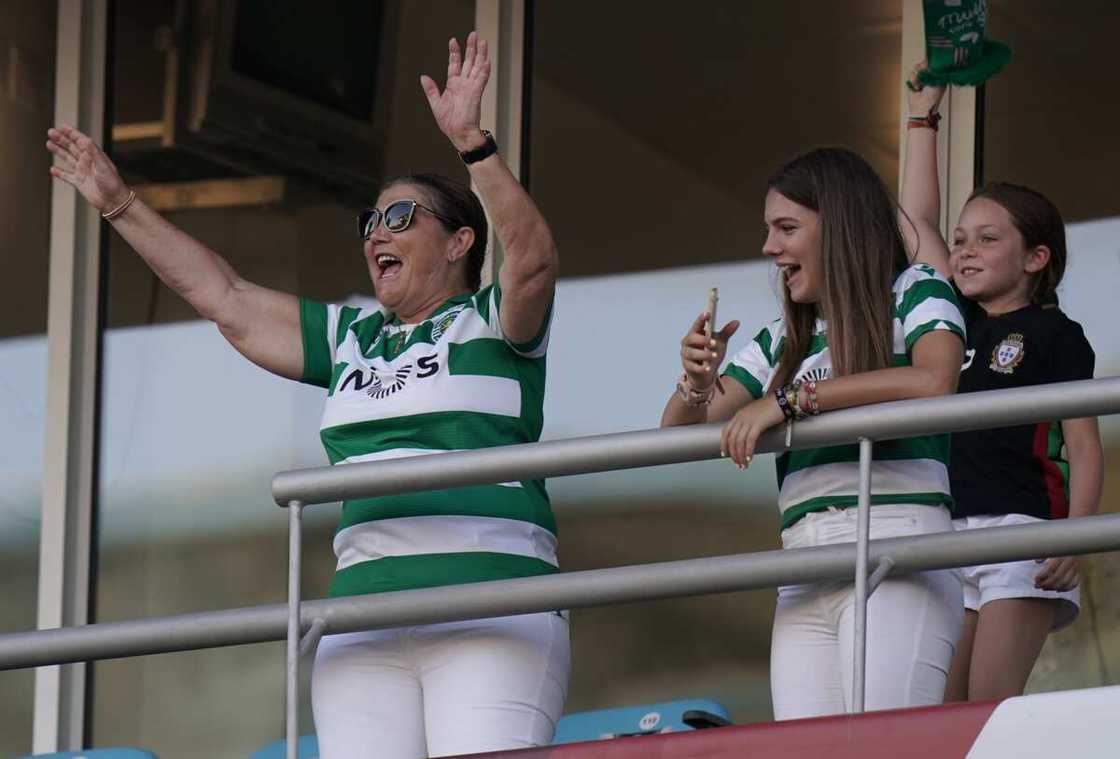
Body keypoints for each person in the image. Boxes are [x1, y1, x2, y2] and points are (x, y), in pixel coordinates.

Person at [48, 32, 567, 759]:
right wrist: (120, 204)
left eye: (399, 218)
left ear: (458, 243)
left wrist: (473, 146)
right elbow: (224, 296)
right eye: (369, 223)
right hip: (362, 627)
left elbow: (535, 260)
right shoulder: (353, 333)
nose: (375, 235)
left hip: (490, 610)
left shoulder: (492, 319)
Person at [661, 147, 967, 718]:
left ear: (841, 227)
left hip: (895, 539)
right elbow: (678, 433)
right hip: (801, 561)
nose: (769, 247)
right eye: (768, 229)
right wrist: (696, 382)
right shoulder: (782, 337)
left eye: (787, 228)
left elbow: (935, 377)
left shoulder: (915, 289)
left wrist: (793, 401)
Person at [901, 63, 1103, 702]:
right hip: (947, 532)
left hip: (1023, 534)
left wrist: (1075, 535)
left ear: (1036, 257)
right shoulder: (951, 324)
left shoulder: (1054, 333)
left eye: (987, 239)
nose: (964, 250)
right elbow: (916, 224)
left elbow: (1085, 444)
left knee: (986, 709)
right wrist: (921, 118)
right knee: (939, 714)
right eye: (960, 240)